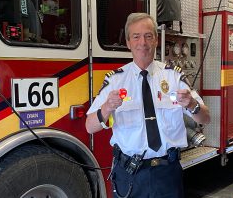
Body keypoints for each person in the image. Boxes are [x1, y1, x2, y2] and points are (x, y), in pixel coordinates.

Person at [86, 12, 211, 198]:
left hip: (167, 173)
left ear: (156, 41)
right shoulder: (115, 81)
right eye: (136, 37)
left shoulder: (173, 76)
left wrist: (192, 104)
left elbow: (206, 118)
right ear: (128, 43)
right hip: (129, 174)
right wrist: (107, 108)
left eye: (148, 36)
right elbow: (89, 126)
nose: (142, 43)